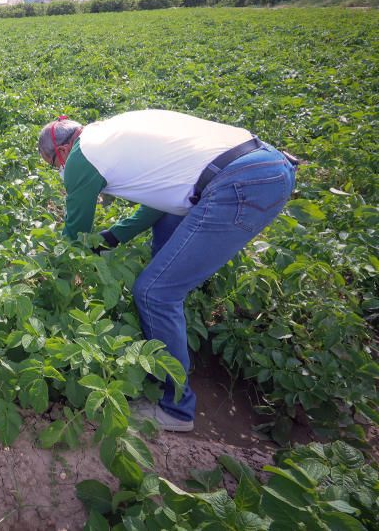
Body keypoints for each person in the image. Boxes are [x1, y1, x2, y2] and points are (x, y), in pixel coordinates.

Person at [38, 109, 297, 432]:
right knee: (164, 246)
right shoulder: (109, 133)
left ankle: (176, 409)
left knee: (155, 292)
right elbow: (162, 200)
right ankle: (168, 342)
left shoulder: (81, 157)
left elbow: (74, 235)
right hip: (264, 164)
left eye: (56, 165)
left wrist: (52, 281)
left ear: (61, 151)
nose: (61, 170)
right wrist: (113, 237)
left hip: (239, 185)